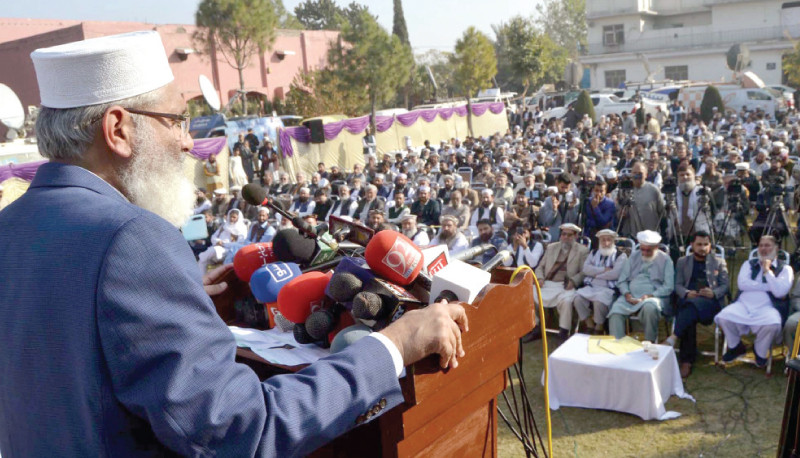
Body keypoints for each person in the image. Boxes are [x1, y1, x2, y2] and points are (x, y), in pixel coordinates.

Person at [0, 31, 468, 456]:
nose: (187, 142)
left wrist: (170, 299)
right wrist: (395, 345)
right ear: (118, 129)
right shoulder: (130, 241)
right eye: (175, 120)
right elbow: (240, 432)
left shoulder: (10, 228)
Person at [716, 235, 794, 367]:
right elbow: (742, 284)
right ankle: (736, 347)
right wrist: (769, 287)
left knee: (773, 324)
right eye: (761, 245)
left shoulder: (786, 269)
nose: (763, 248)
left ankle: (759, 350)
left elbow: (781, 292)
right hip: (743, 304)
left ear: (776, 248)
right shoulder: (748, 264)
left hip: (769, 308)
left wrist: (767, 272)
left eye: (767, 245)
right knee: (723, 317)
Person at [663, 231, 729, 378]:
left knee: (688, 309)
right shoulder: (682, 262)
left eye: (706, 244)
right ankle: (686, 361)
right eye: (699, 244)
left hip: (710, 304)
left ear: (710, 245)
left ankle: (678, 345)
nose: (703, 248)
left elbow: (725, 286)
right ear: (692, 245)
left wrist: (714, 292)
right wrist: (686, 293)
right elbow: (677, 284)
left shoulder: (719, 262)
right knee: (689, 311)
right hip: (688, 300)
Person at [608, 230, 675, 343]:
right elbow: (622, 281)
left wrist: (650, 295)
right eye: (642, 249)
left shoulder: (666, 260)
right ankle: (617, 345)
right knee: (615, 312)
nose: (644, 253)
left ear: (656, 247)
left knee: (650, 307)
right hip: (631, 296)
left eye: (648, 250)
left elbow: (668, 286)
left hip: (655, 296)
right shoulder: (633, 257)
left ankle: (649, 343)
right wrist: (627, 294)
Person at [533, 223, 589, 339]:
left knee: (567, 301)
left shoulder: (582, 251)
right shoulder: (551, 247)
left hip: (566, 285)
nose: (566, 238)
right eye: (564, 234)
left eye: (569, 235)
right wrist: (540, 278)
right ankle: (535, 326)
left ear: (575, 237)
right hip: (547, 283)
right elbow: (540, 267)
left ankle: (564, 332)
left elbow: (584, 272)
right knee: (529, 293)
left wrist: (574, 281)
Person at [572, 229, 627, 335]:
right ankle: (589, 324)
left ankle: (599, 326)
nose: (606, 243)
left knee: (599, 301)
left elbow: (615, 274)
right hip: (592, 286)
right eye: (603, 240)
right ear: (599, 241)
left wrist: (595, 274)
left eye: (608, 240)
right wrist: (603, 270)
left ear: (613, 241)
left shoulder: (621, 256)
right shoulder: (594, 252)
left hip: (608, 288)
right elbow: (586, 269)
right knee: (577, 298)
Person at [616, 162, 664, 238]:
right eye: (635, 173)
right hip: (630, 235)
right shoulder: (624, 190)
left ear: (646, 175)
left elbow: (662, 213)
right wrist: (622, 213)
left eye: (640, 173)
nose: (637, 175)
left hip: (650, 234)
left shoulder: (654, 190)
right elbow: (618, 214)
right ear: (631, 174)